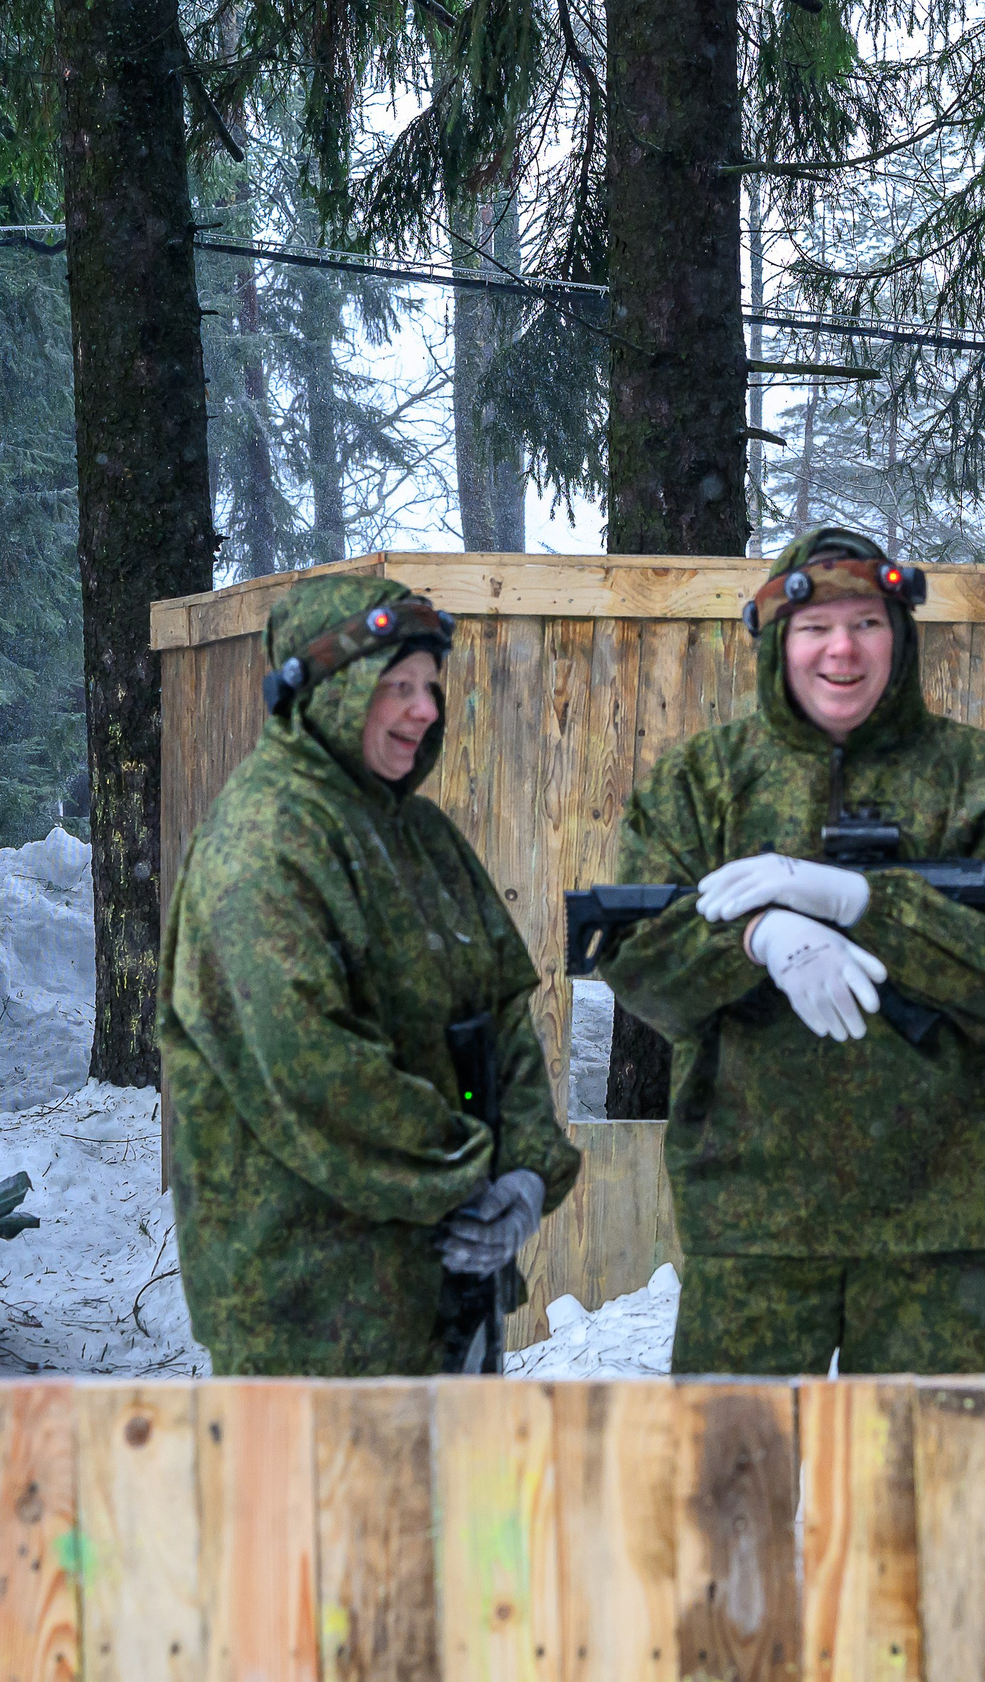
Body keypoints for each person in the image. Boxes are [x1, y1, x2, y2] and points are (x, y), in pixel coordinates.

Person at [598, 526, 985, 1376]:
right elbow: (638, 960)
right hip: (750, 1212)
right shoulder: (702, 781)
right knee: (739, 1456)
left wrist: (870, 905)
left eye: (867, 624)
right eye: (815, 627)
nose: (842, 649)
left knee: (921, 1460)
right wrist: (756, 935)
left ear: (901, 636)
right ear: (778, 639)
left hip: (941, 1217)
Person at [161, 576, 581, 1376]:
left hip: (445, 1297)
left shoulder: (423, 837)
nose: (424, 709)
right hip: (314, 1321)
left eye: (429, 685)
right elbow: (310, 1068)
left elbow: (500, 1019)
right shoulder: (261, 843)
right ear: (331, 690)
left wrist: (525, 1171)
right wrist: (469, 1171)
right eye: (397, 686)